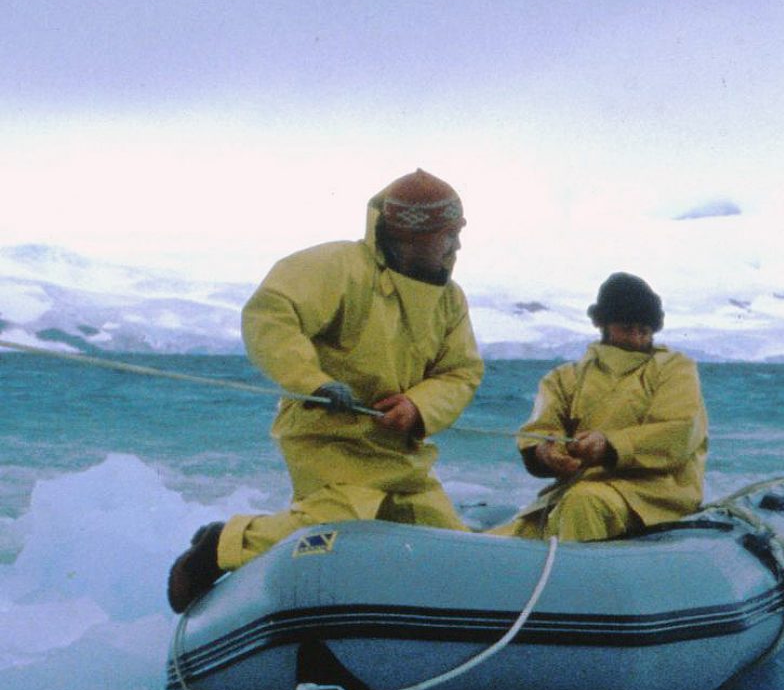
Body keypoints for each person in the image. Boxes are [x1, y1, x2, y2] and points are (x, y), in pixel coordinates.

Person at [167, 169, 485, 612]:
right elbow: (271, 314)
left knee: (448, 541)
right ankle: (219, 545)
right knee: (339, 522)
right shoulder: (338, 267)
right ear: (406, 236)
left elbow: (460, 371)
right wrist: (313, 381)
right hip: (329, 437)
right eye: (445, 235)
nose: (456, 247)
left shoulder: (451, 300)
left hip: (399, 452)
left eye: (458, 234)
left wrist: (418, 406)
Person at [492, 272, 708, 542]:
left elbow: (678, 432)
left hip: (654, 494)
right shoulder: (565, 377)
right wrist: (548, 452)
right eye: (627, 328)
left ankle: (576, 582)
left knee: (583, 505)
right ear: (603, 324)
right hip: (579, 489)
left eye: (644, 330)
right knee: (505, 538)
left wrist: (608, 446)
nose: (637, 338)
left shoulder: (675, 368)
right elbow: (541, 429)